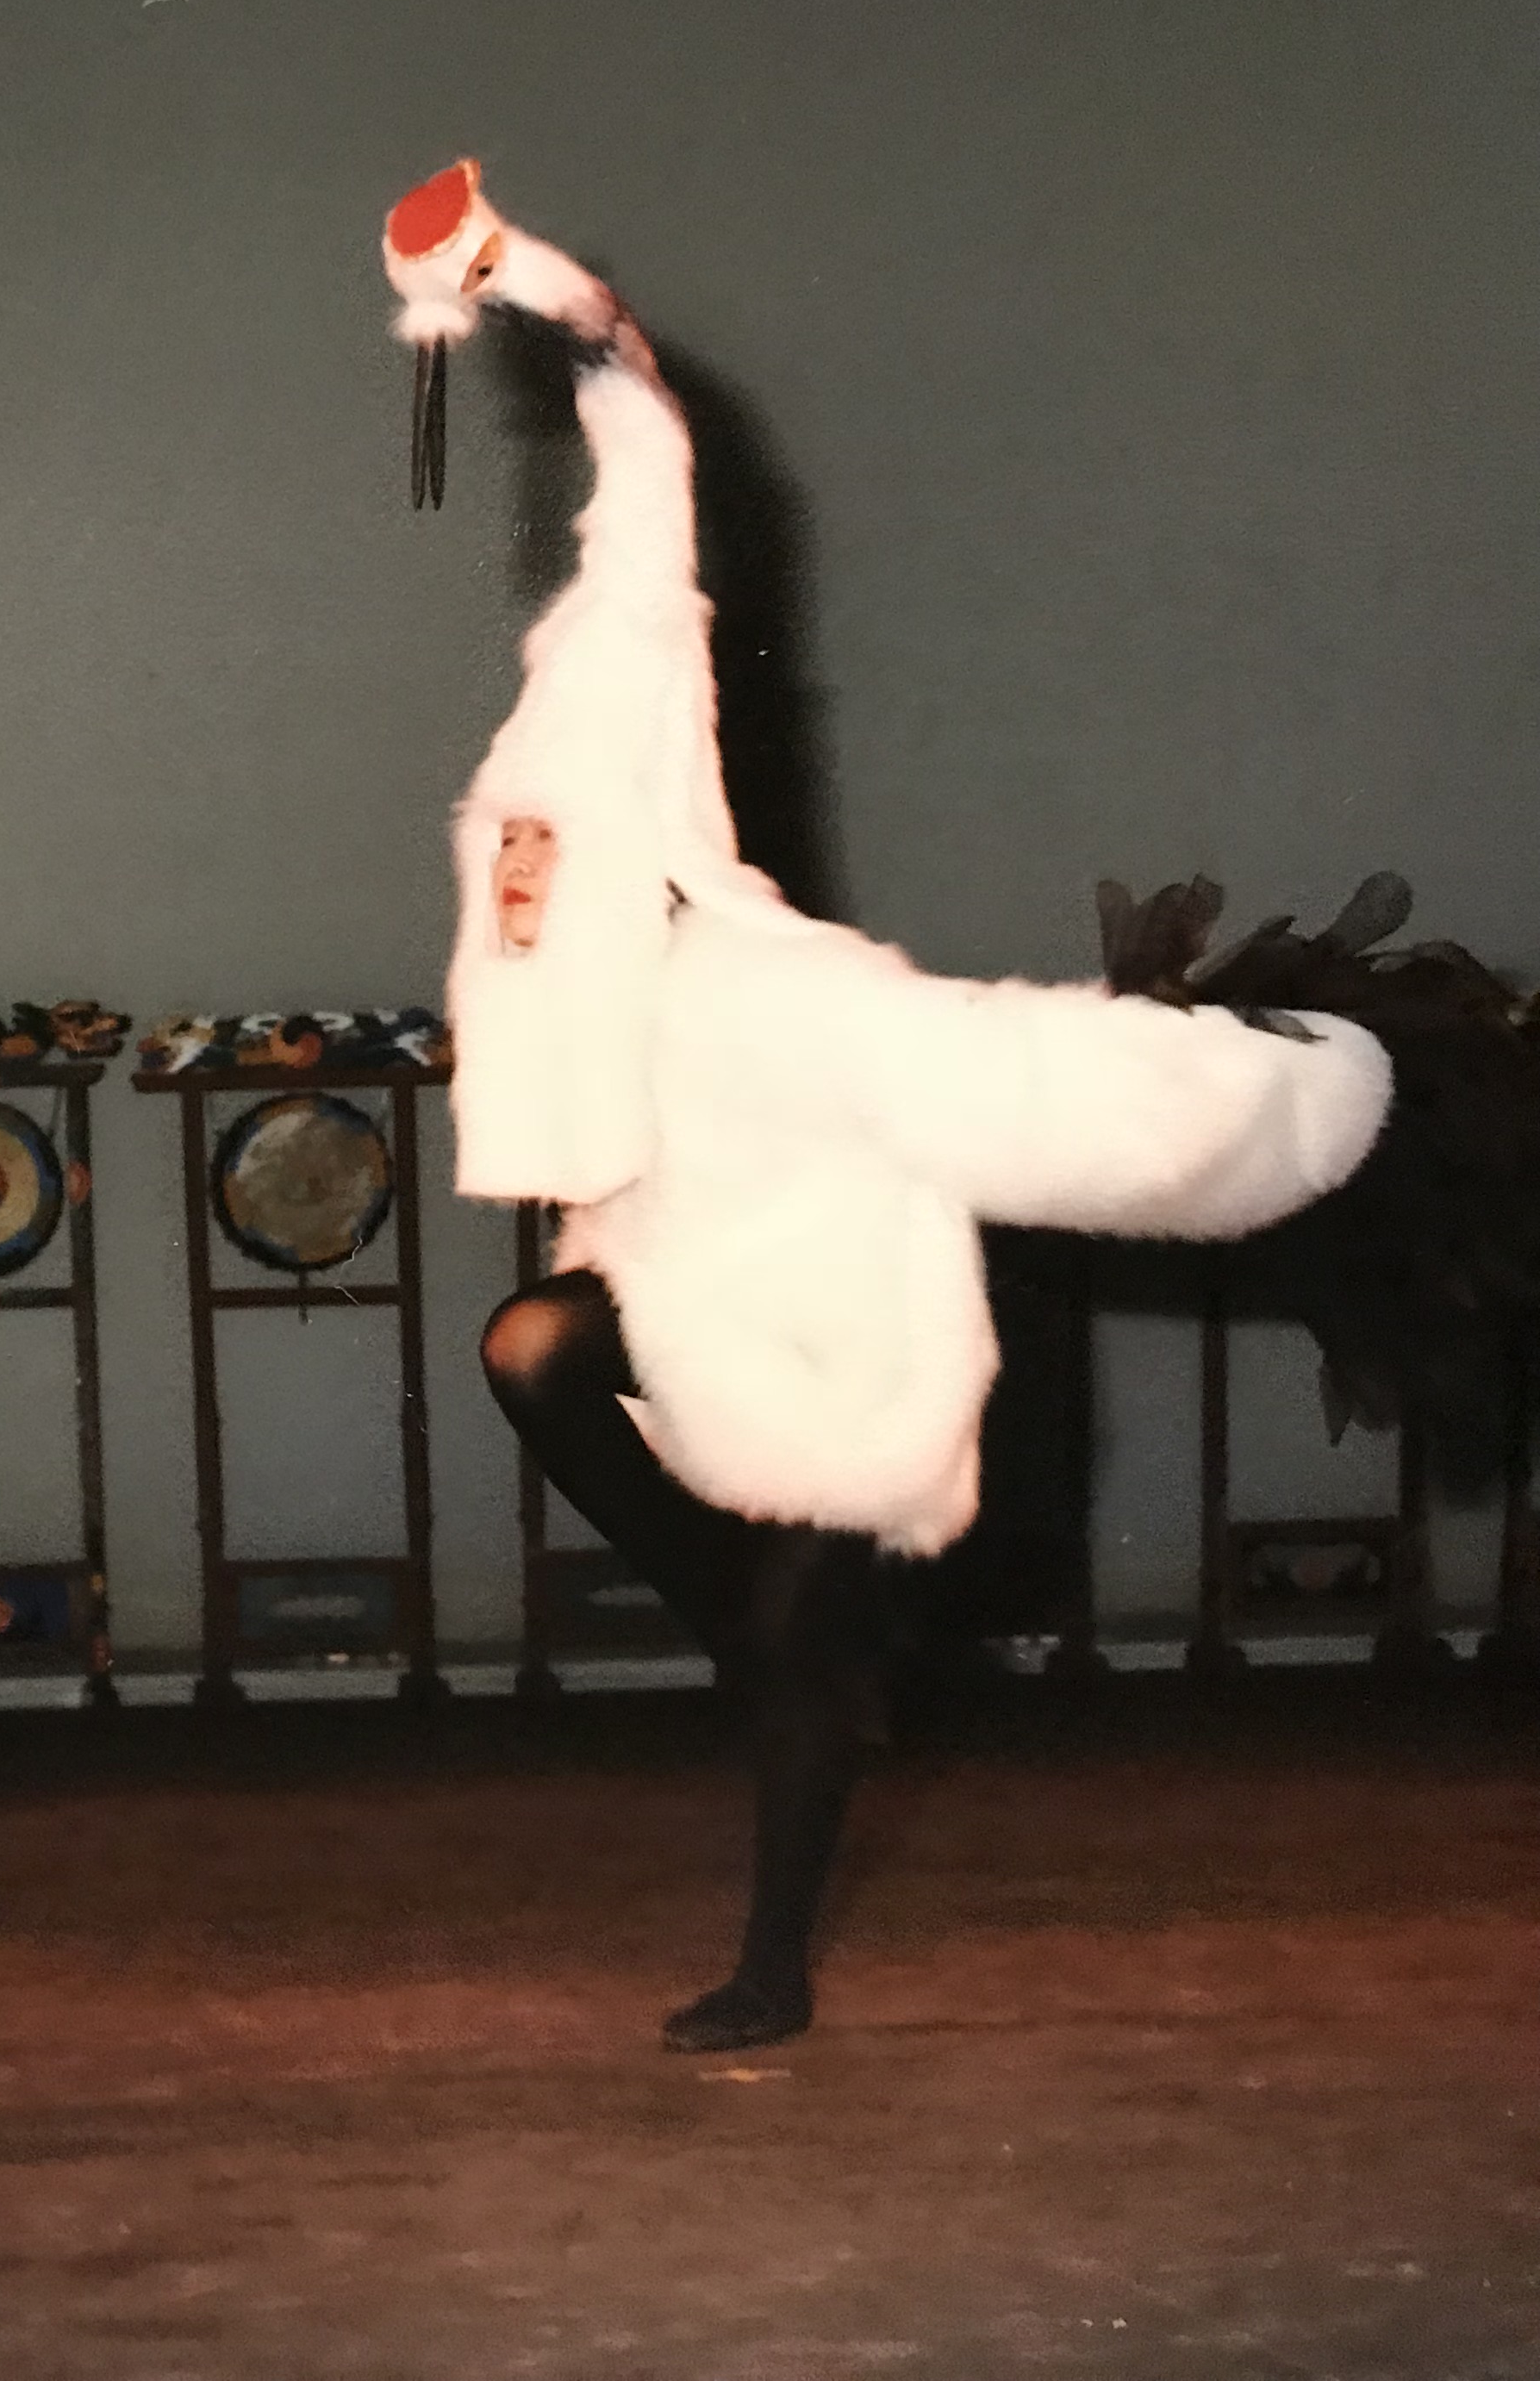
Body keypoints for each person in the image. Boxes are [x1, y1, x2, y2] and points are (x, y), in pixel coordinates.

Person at [383, 161, 1398, 2052]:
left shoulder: (778, 988)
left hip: (847, 1351)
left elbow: (1033, 1083)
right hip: (694, 1307)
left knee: (798, 1648)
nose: (518, 893)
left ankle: (769, 1960)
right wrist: (542, 312)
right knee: (531, 1348)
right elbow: (623, 592)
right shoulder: (584, 976)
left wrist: (1301, 1087)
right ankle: (748, 1624)